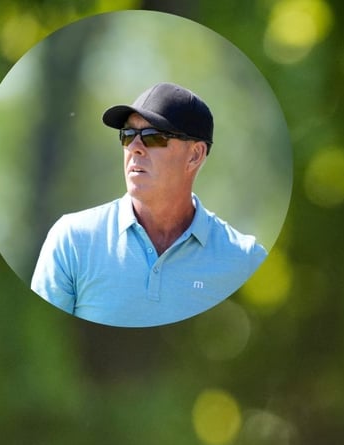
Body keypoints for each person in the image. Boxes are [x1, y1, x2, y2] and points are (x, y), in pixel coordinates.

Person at [31, 82, 266, 327]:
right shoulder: (73, 239)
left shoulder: (244, 259)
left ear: (195, 155)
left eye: (153, 137)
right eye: (128, 135)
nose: (134, 148)